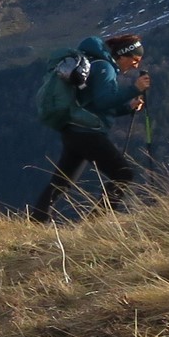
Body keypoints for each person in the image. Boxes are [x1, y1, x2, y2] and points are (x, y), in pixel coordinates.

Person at [31, 35, 149, 221]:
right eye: (134, 60)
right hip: (88, 134)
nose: (135, 65)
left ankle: (35, 222)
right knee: (123, 173)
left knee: (61, 182)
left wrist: (127, 107)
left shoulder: (94, 64)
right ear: (123, 55)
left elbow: (93, 105)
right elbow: (104, 101)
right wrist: (134, 89)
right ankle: (95, 222)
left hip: (72, 131)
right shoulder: (105, 68)